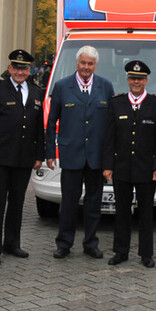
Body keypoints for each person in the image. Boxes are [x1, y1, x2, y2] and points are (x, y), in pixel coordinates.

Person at [0, 51, 45, 267]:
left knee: (17, 203)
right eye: (16, 67)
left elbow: (37, 129)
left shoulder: (36, 92)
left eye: (24, 68)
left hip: (24, 159)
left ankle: (12, 243)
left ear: (29, 70)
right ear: (10, 68)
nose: (20, 72)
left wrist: (39, 155)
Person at [46, 45, 114, 259]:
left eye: (90, 63)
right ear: (77, 63)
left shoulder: (105, 86)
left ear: (95, 65)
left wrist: (109, 157)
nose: (86, 67)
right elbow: (51, 123)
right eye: (83, 63)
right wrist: (49, 152)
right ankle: (64, 243)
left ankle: (90, 243)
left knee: (94, 203)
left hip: (95, 157)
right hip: (71, 154)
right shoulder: (62, 86)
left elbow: (111, 125)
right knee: (68, 203)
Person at [102, 60, 156, 268]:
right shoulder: (116, 103)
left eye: (140, 78)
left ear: (146, 80)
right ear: (127, 80)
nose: (136, 82)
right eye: (132, 78)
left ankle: (146, 254)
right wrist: (108, 165)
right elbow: (109, 138)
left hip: (146, 169)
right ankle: (121, 251)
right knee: (121, 211)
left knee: (146, 213)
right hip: (122, 167)